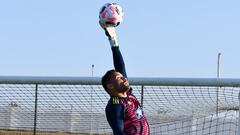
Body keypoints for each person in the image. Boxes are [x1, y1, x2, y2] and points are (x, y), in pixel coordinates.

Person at [100, 22, 150, 135]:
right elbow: (119, 132)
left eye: (123, 76)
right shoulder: (115, 106)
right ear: (110, 86)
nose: (124, 78)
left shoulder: (128, 95)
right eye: (119, 78)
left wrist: (113, 40)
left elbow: (120, 66)